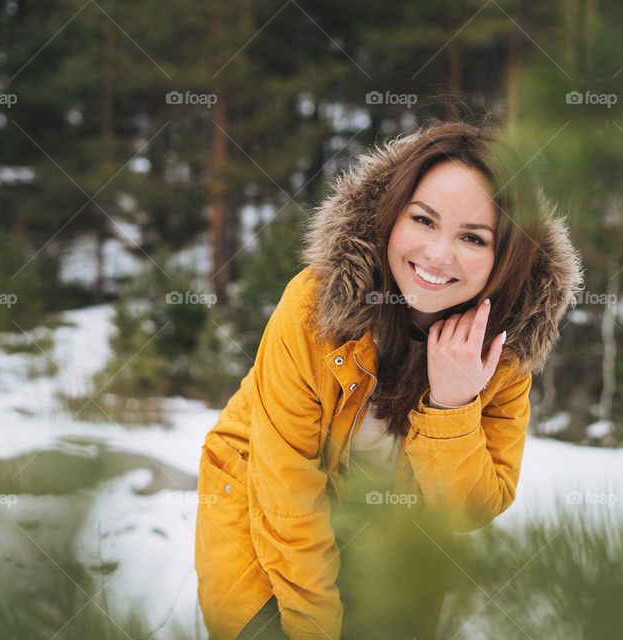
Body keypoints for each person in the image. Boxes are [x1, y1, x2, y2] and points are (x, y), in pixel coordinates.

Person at [195, 119, 583, 640]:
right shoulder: (317, 307)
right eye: (423, 220)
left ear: (504, 256)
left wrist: (452, 406)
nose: (438, 255)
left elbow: (470, 509)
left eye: (473, 237)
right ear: (392, 213)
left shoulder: (502, 351)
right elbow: (287, 488)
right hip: (263, 509)